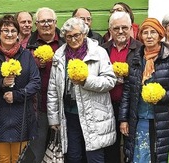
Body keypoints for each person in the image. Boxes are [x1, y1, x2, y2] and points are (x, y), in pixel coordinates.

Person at [47, 17, 116, 163]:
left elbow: (110, 81)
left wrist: (86, 81)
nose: (73, 39)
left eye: (76, 35)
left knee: (94, 157)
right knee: (73, 156)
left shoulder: (98, 52)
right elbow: (53, 88)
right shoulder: (59, 55)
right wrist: (53, 118)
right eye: (69, 36)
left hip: (94, 114)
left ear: (84, 34)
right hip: (69, 115)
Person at [119, 18, 169, 163]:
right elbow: (127, 91)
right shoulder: (135, 58)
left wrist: (162, 96)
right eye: (145, 33)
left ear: (160, 35)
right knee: (140, 156)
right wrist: (123, 119)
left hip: (162, 119)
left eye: (153, 32)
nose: (149, 36)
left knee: (158, 157)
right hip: (139, 119)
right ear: (141, 36)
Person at [0, 14, 41, 163]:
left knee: (19, 159)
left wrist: (17, 95)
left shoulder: (26, 55)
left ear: (18, 34)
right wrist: (1, 83)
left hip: (21, 115)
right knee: (2, 158)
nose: (9, 34)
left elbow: (35, 82)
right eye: (5, 30)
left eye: (13, 30)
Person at [101, 11, 143, 163]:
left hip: (131, 105)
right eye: (116, 28)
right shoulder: (102, 49)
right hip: (107, 104)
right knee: (110, 146)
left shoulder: (140, 48)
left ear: (131, 28)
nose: (120, 31)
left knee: (131, 144)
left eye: (124, 27)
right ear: (110, 29)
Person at [25, 8, 65, 163]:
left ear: (55, 22)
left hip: (62, 106)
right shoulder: (28, 44)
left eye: (50, 21)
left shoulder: (65, 42)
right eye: (43, 21)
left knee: (61, 151)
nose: (46, 24)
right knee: (37, 150)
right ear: (36, 24)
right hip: (38, 105)